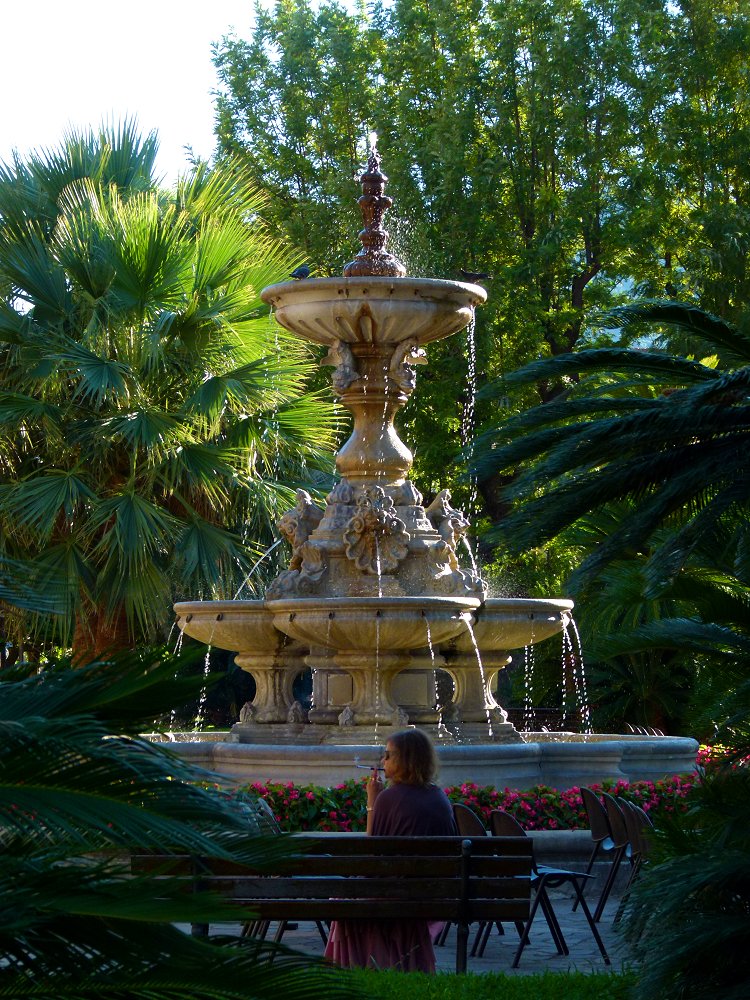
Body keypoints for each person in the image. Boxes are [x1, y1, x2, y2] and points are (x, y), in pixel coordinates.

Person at [324, 728, 457, 972]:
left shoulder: (389, 797)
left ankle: (360, 970)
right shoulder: (439, 796)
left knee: (344, 899)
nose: (382, 761)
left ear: (406, 759)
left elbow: (372, 856)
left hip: (397, 897)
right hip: (433, 897)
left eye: (388, 755)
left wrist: (372, 803)